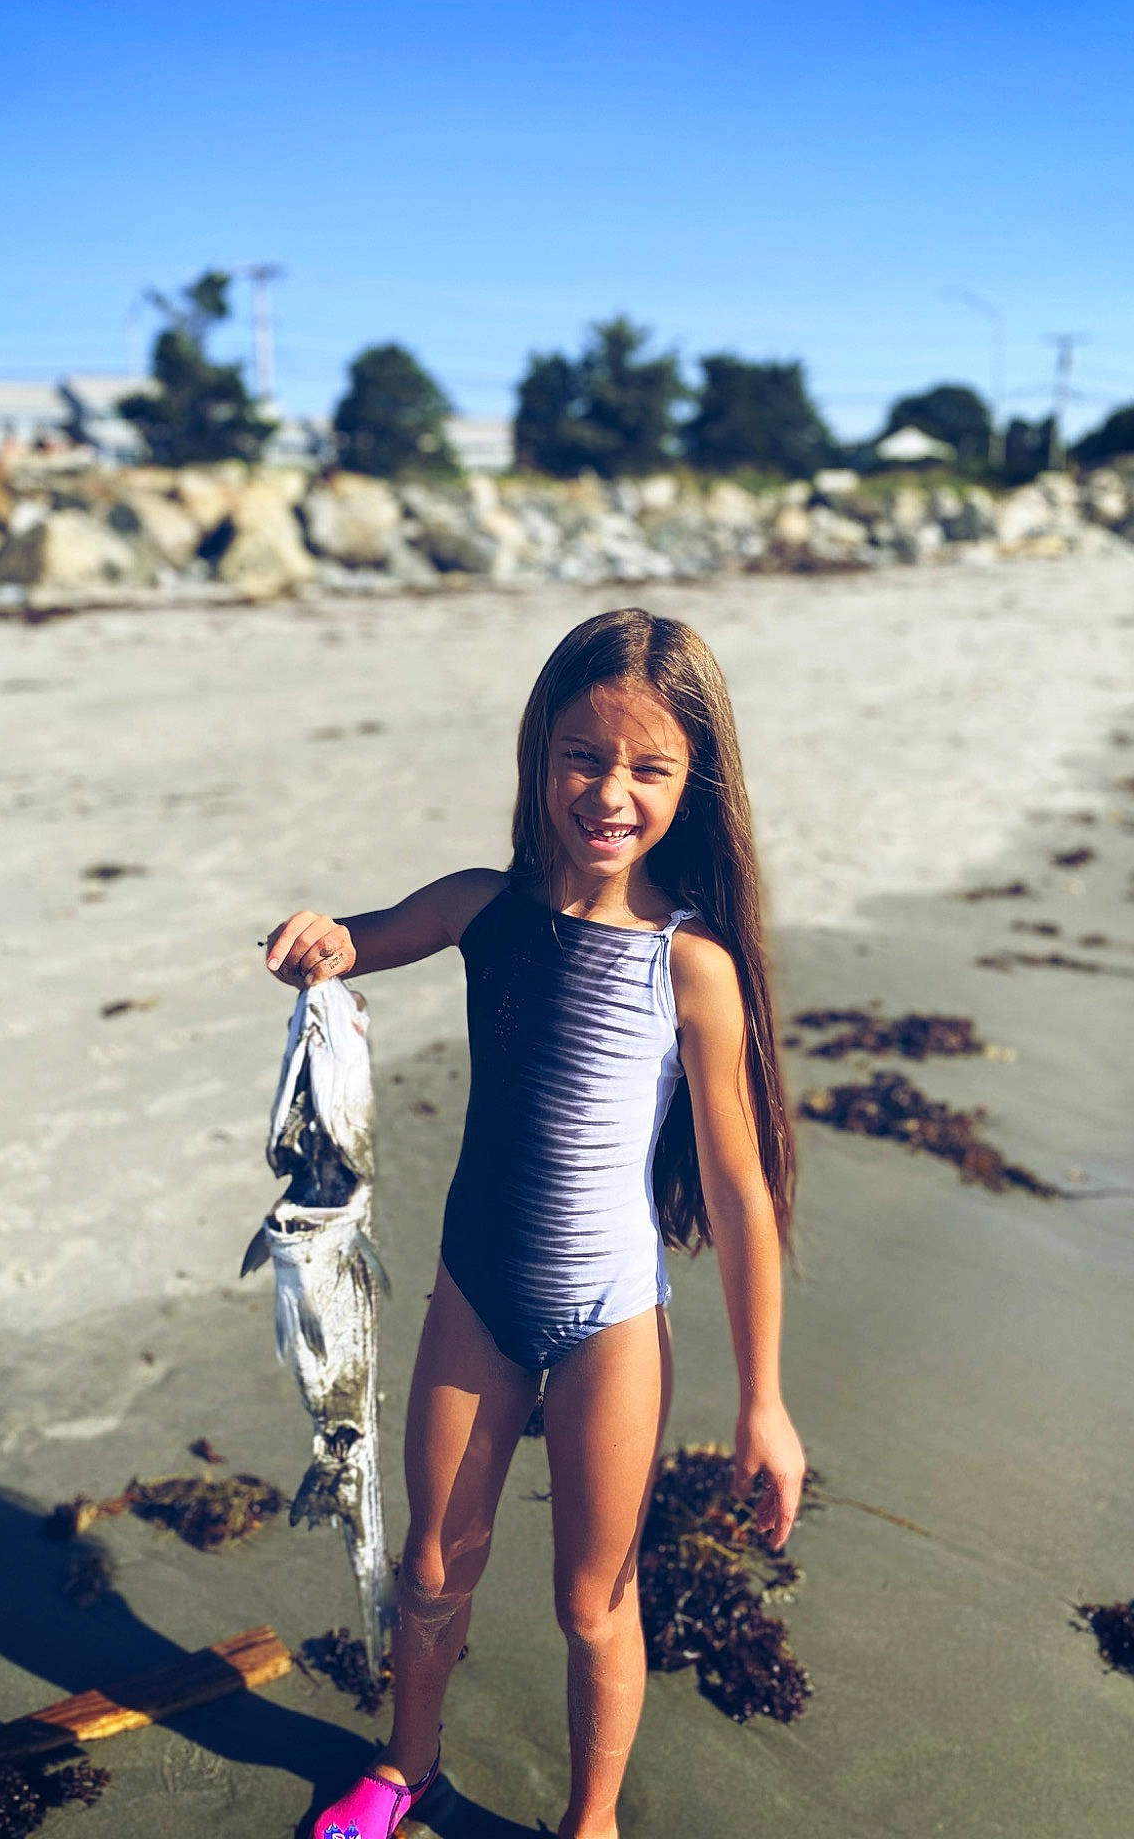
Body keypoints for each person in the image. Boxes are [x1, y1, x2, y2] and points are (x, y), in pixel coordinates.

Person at [265, 607, 806, 1839]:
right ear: (538, 751)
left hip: (609, 1317)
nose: (609, 790)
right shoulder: (482, 906)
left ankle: (592, 1820)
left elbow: (735, 1185)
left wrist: (762, 1398)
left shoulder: (691, 965)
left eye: (648, 766)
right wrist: (309, 937)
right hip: (475, 1299)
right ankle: (404, 1768)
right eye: (582, 755)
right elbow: (347, 945)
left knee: (589, 1597)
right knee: (432, 1568)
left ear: (693, 780)